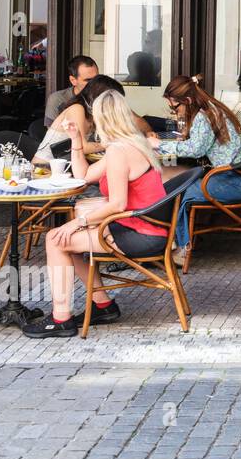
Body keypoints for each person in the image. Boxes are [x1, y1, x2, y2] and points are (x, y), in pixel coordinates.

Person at [24, 91, 167, 338]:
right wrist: (76, 140)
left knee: (55, 239)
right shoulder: (131, 143)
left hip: (139, 233)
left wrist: (78, 223)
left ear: (102, 119)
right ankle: (103, 305)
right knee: (70, 243)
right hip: (144, 226)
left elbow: (117, 204)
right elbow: (84, 175)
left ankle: (61, 318)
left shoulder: (119, 151)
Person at [148, 74, 241, 260]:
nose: (174, 112)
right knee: (177, 180)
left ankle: (182, 248)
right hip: (232, 175)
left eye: (175, 107)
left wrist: (158, 145)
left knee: (179, 190)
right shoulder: (210, 109)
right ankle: (176, 239)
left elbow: (195, 150)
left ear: (188, 100)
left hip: (230, 182)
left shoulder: (203, 116)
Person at [33, 75, 151, 164]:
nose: (114, 104)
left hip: (68, 167)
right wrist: (112, 143)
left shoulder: (94, 113)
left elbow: (132, 124)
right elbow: (83, 147)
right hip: (45, 169)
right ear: (100, 96)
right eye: (112, 100)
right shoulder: (77, 109)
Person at [43, 55, 97, 126]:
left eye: (97, 78)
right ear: (73, 80)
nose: (95, 83)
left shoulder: (103, 97)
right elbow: (53, 133)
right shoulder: (58, 99)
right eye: (88, 80)